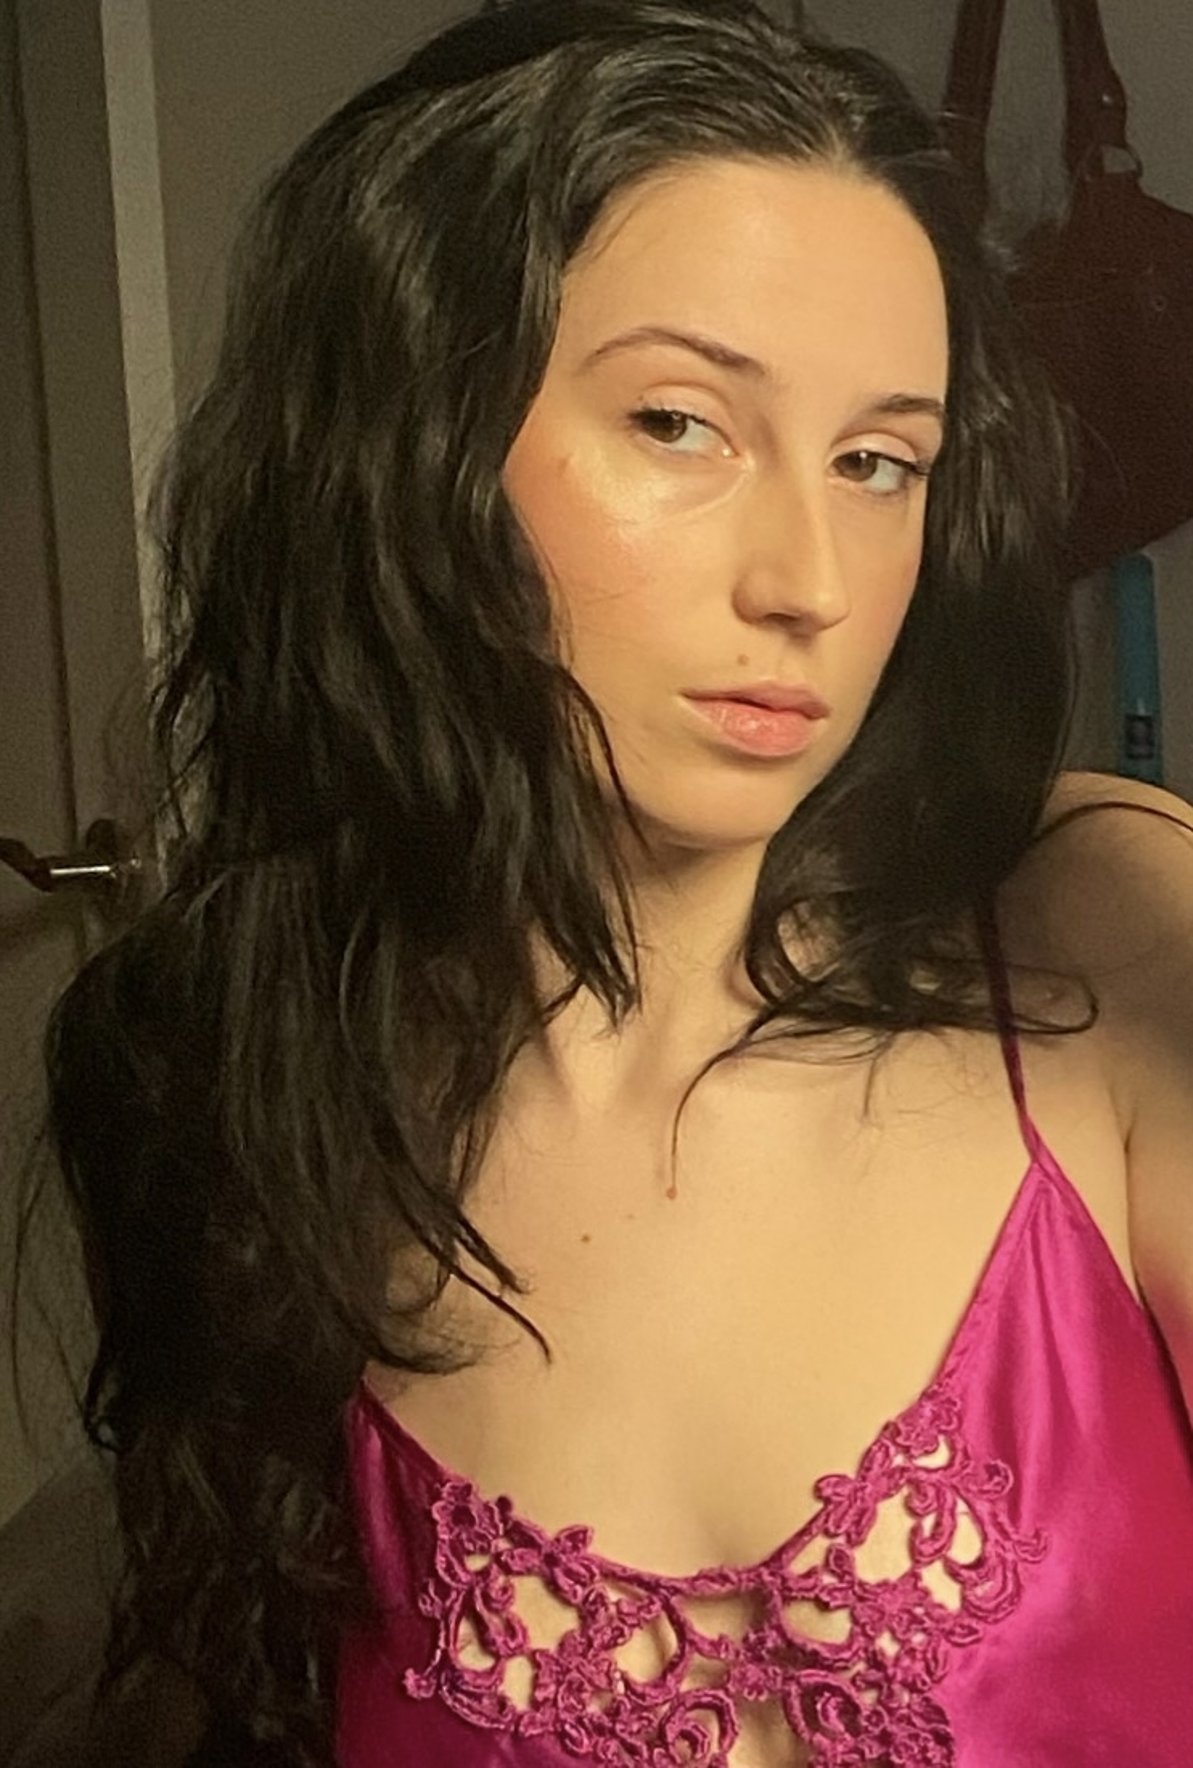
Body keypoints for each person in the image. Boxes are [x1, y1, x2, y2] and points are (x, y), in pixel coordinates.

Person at [30, 0, 1193, 1763]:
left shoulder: (1097, 938)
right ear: (414, 447)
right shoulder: (238, 1081)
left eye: (878, 461)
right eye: (679, 423)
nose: (809, 581)